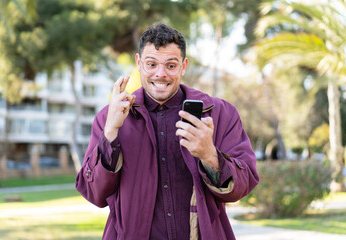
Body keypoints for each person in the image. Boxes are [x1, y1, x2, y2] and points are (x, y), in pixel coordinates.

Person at [76, 23, 259, 240]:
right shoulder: (109, 118)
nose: (160, 74)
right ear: (138, 63)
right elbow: (93, 193)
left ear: (183, 66)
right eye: (151, 64)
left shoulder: (220, 114)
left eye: (171, 66)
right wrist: (110, 134)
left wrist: (210, 155)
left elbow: (244, 184)